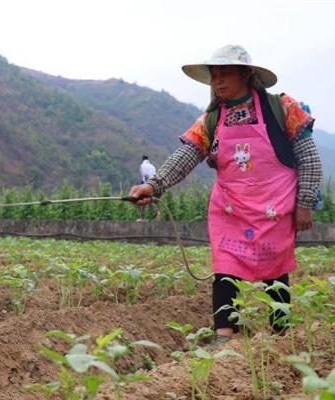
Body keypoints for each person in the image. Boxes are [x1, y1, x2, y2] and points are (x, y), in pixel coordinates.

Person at [129, 45, 322, 346]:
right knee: (225, 268)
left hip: (274, 207)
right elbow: (187, 153)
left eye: (224, 74)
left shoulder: (281, 108)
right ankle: (224, 335)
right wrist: (154, 185)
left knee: (276, 269)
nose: (217, 81)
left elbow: (309, 157)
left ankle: (281, 332)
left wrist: (305, 203)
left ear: (245, 74)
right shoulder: (212, 119)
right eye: (213, 75)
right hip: (230, 208)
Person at [137, 155, 160, 221]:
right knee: (149, 200)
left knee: (141, 200)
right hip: (153, 185)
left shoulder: (142, 166)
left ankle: (142, 218)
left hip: (146, 185)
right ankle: (156, 213)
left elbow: (145, 175)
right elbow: (155, 176)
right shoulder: (152, 166)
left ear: (142, 159)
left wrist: (142, 185)